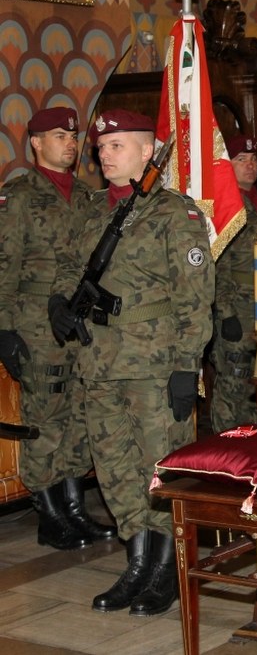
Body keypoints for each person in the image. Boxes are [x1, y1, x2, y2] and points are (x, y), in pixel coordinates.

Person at [48, 109, 215, 617]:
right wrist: (58, 302)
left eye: (116, 145)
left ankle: (167, 567)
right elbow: (67, 266)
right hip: (98, 360)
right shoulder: (90, 210)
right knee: (114, 466)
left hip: (153, 361)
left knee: (158, 467)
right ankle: (138, 562)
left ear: (147, 152)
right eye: (102, 146)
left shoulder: (174, 213)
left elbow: (195, 297)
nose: (104, 153)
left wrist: (187, 365)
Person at [0, 107, 116, 551]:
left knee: (78, 416)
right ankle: (49, 514)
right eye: (58, 135)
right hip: (35, 325)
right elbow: (4, 266)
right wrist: (4, 329)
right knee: (45, 418)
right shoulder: (19, 196)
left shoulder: (88, 196)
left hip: (80, 323)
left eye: (72, 135)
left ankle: (73, 508)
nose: (70, 143)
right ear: (35, 142)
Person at [209, 135, 257, 433]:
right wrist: (226, 312)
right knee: (234, 381)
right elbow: (216, 264)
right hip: (237, 310)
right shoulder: (224, 209)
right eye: (241, 159)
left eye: (253, 159)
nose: (250, 165)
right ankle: (227, 445)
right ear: (226, 166)